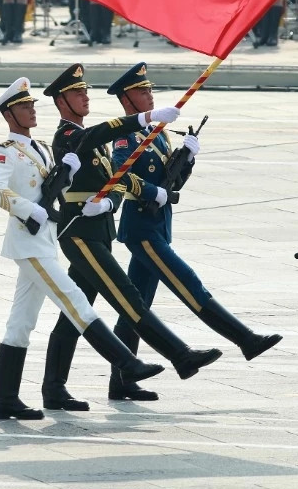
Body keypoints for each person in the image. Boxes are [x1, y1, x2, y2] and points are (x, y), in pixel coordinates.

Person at [40, 63, 222, 410]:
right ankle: (179, 355)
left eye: (85, 91)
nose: (85, 97)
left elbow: (118, 179)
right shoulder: (68, 135)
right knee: (127, 296)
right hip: (78, 233)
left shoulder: (91, 139)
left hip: (97, 232)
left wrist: (111, 200)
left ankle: (54, 388)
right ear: (62, 102)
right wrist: (144, 118)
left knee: (75, 313)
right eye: (77, 93)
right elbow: (93, 135)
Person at [0, 78, 165, 420]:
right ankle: (126, 361)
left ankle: (5, 400)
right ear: (10, 114)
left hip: (44, 241)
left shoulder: (37, 147)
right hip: (28, 243)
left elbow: (51, 189)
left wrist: (66, 173)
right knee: (75, 302)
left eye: (33, 104)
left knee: (21, 323)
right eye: (25, 107)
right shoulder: (5, 150)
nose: (32, 110)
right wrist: (28, 209)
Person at [105, 63, 282, 401]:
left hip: (157, 226)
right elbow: (119, 175)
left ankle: (121, 380)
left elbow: (173, 184)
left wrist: (186, 158)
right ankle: (245, 340)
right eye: (143, 91)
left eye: (149, 89)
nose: (150, 94)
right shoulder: (127, 136)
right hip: (141, 227)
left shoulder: (156, 134)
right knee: (189, 283)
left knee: (135, 306)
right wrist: (149, 191)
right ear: (128, 99)